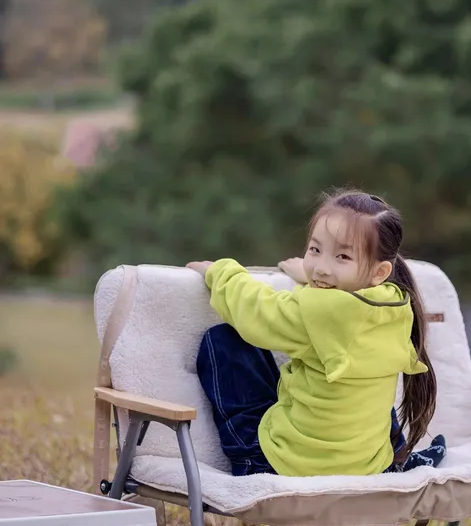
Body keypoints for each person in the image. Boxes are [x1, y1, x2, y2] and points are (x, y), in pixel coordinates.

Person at [188, 190, 446, 477]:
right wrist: (313, 277)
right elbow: (341, 301)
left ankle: (250, 461)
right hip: (368, 466)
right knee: (367, 378)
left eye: (342, 256)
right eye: (315, 250)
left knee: (224, 341)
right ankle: (397, 457)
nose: (321, 268)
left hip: (289, 466)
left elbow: (258, 311)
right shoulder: (395, 304)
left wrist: (221, 272)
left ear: (379, 272)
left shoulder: (315, 315)